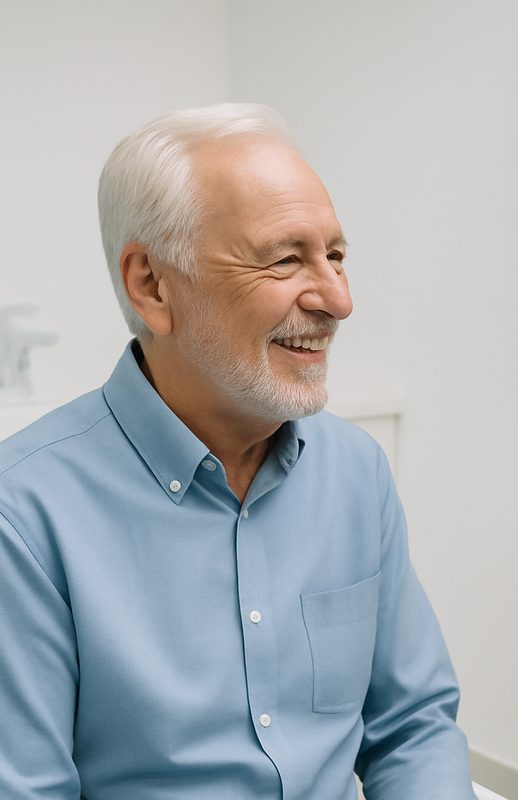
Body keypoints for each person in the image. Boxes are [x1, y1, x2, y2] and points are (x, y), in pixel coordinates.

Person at [0, 105, 475, 799]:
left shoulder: (355, 471)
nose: (338, 300)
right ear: (151, 286)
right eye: (286, 259)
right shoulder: (25, 515)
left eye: (335, 256)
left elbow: (412, 725)